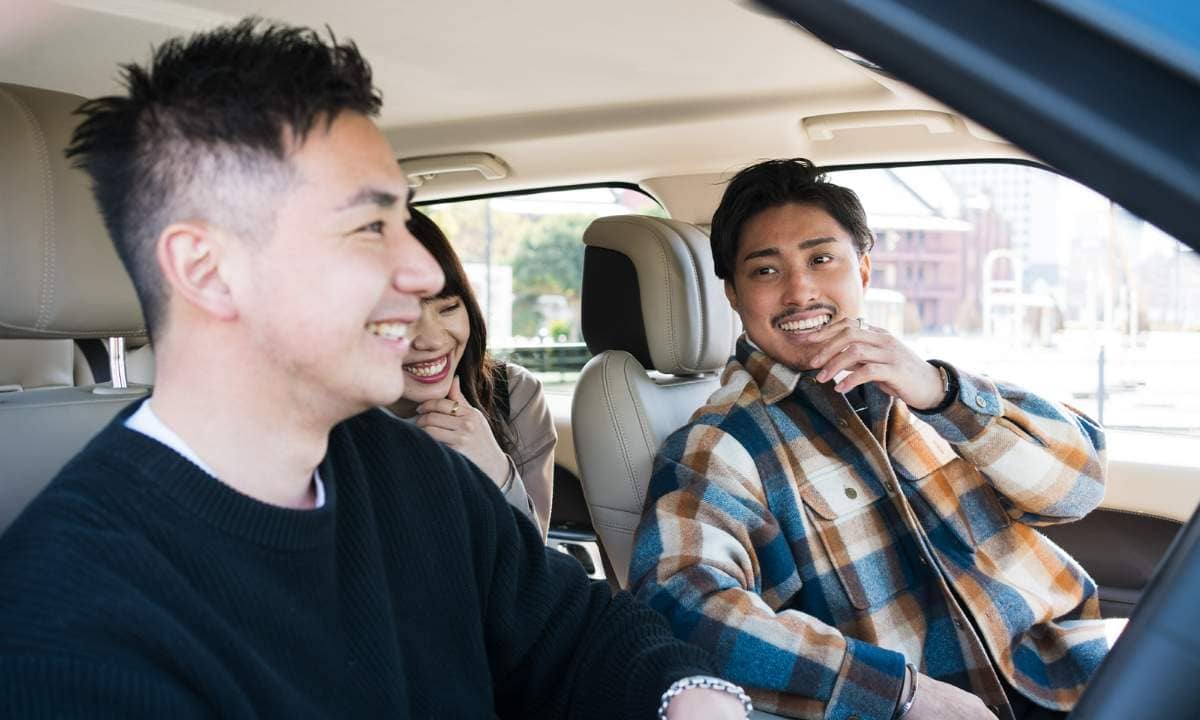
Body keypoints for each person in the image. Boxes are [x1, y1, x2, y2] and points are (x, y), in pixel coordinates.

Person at [0, 20, 753, 719]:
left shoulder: (410, 469)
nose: (425, 274)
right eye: (369, 228)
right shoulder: (68, 625)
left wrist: (690, 692)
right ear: (207, 270)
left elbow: (576, 629)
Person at [630, 158, 1111, 720]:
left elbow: (1079, 489)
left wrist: (941, 394)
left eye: (821, 259)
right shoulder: (722, 444)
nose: (800, 291)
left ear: (862, 269)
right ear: (733, 295)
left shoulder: (926, 387)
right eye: (765, 271)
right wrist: (899, 692)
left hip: (1071, 671)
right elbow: (684, 605)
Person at [387, 209, 554, 539]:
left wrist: (495, 468)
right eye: (401, 317)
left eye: (448, 308)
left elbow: (537, 563)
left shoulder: (515, 394)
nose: (433, 339)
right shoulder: (324, 420)